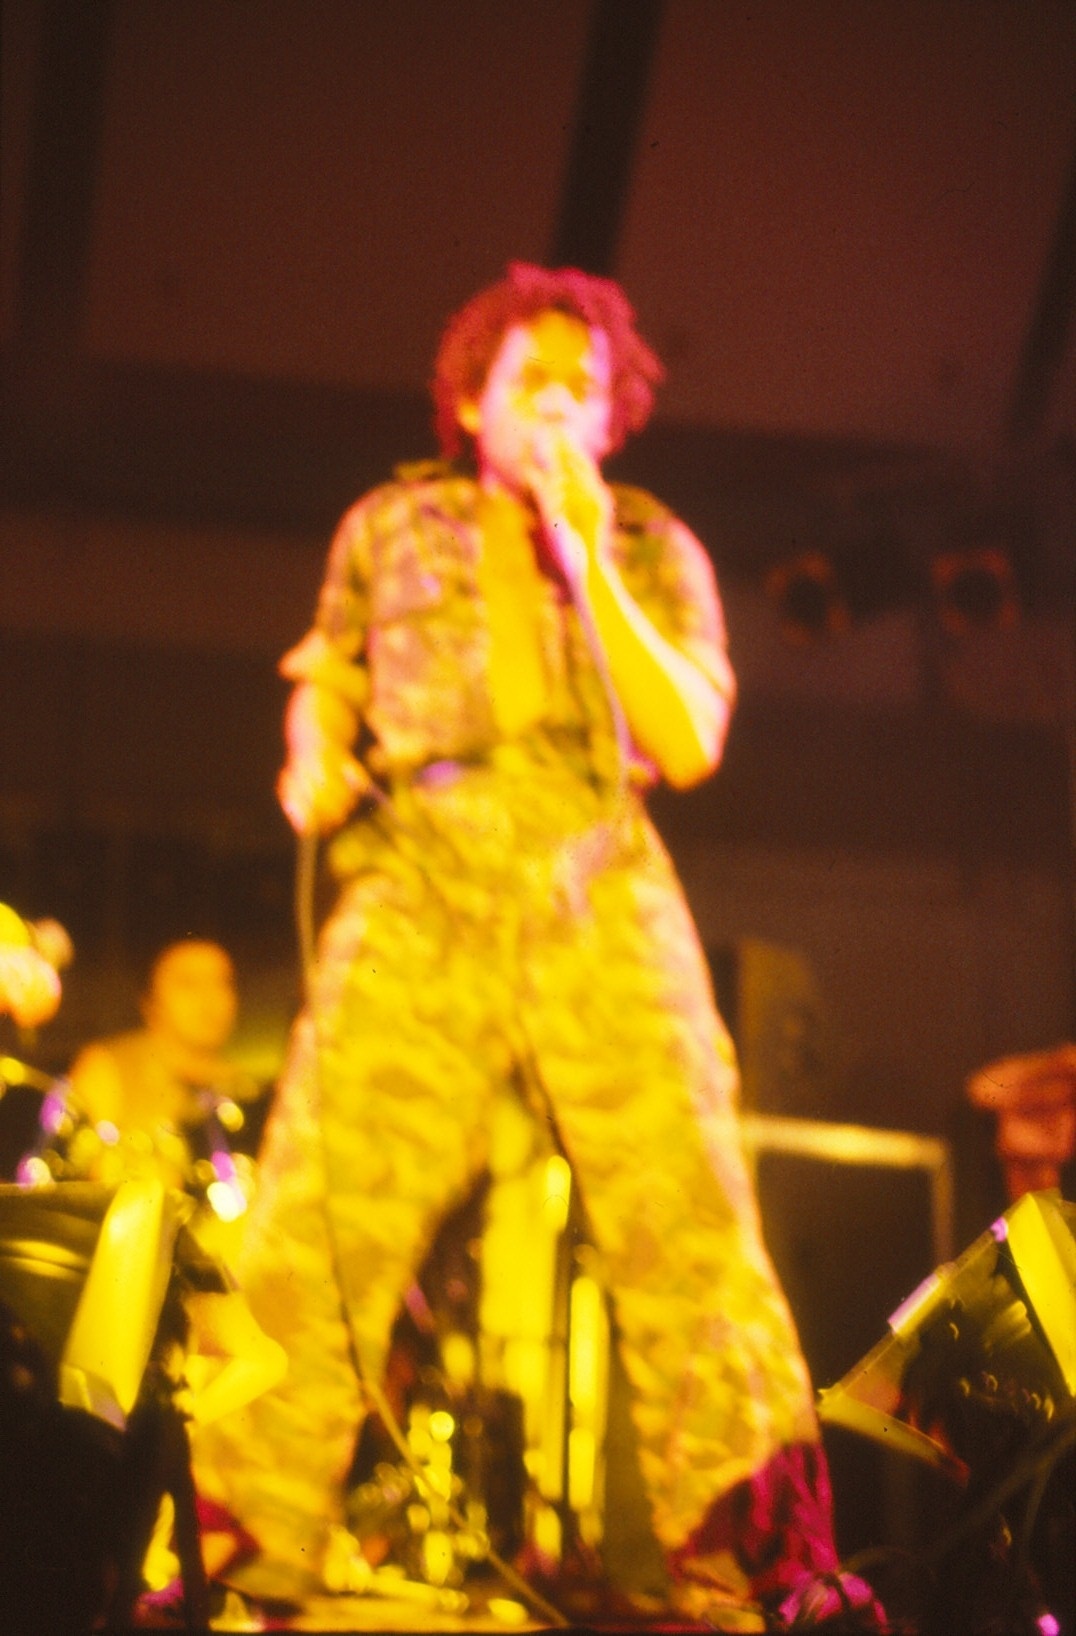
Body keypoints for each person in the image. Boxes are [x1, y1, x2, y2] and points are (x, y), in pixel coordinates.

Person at [193, 263, 875, 1627]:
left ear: (614, 415)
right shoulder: (387, 524)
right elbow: (326, 675)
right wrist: (311, 754)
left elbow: (687, 738)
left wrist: (584, 553)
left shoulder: (654, 545)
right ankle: (233, 1558)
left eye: (583, 386)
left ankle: (761, 1569)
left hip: (595, 862)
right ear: (471, 399)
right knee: (314, 1216)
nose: (557, 402)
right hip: (422, 867)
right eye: (530, 380)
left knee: (690, 1219)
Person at [43, 940, 264, 1256]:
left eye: (222, 982)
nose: (209, 998)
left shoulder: (246, 1090)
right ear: (150, 1002)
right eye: (188, 983)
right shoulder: (109, 1068)